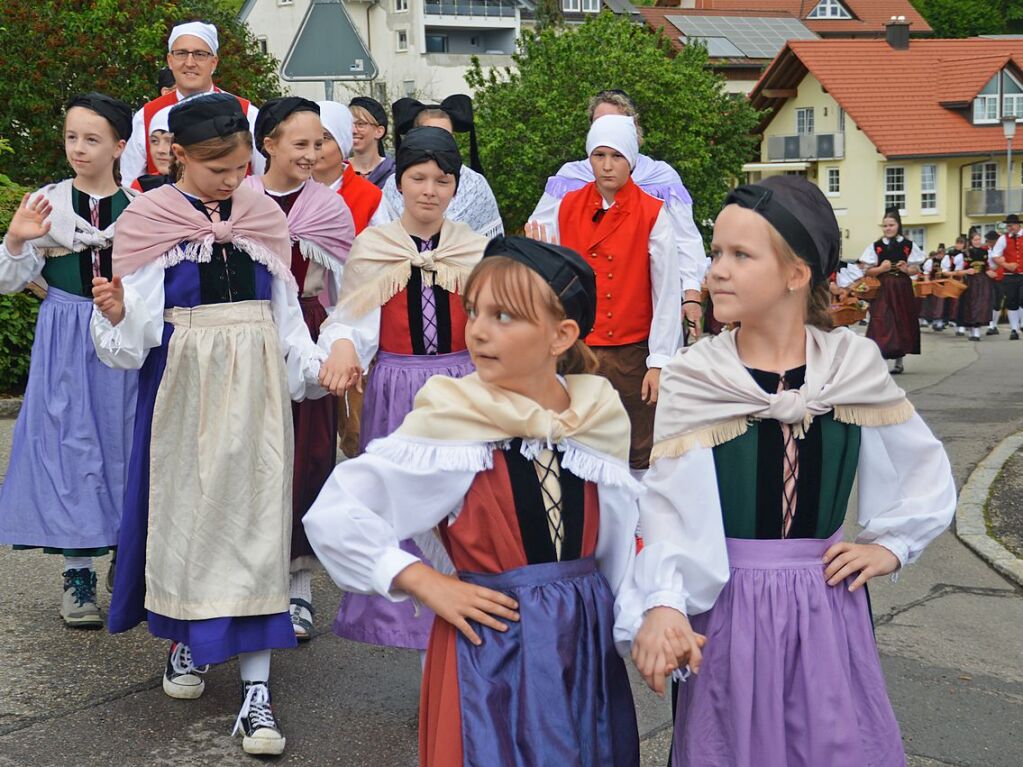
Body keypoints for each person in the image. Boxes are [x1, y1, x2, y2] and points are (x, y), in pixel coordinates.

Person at [632, 175, 956, 767]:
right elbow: (667, 508)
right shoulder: (696, 377)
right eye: (716, 252)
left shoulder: (850, 366)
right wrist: (663, 601)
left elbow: (921, 463)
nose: (716, 271)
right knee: (731, 745)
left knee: (830, 743)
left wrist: (893, 544)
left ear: (796, 274)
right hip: (727, 607)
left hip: (825, 605)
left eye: (740, 255)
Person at [306, 236, 646, 766]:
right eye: (475, 311)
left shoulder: (595, 420)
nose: (480, 330)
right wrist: (421, 579)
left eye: (504, 315)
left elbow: (621, 548)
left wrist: (648, 621)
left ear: (562, 335)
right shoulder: (454, 422)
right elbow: (335, 511)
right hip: (491, 649)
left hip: (582, 649)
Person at [90, 94, 328, 756]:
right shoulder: (148, 221)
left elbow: (285, 318)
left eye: (240, 166)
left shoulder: (260, 217)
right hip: (183, 392)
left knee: (256, 528)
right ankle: (186, 643)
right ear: (179, 156)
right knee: (188, 526)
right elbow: (131, 342)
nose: (233, 181)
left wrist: (314, 367)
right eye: (218, 168)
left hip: (255, 393)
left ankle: (256, 692)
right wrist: (112, 314)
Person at [317, 126, 488, 655]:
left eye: (442, 180)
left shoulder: (473, 248)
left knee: (463, 504)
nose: (430, 190)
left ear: (456, 188)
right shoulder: (376, 246)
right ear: (401, 184)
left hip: (461, 385)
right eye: (418, 178)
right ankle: (413, 628)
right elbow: (350, 318)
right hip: (397, 388)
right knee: (399, 505)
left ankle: (468, 613)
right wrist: (344, 346)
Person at [0, 93, 138, 628]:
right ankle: (77, 570)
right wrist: (15, 239)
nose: (78, 149)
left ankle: (126, 555)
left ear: (119, 146)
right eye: (71, 137)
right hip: (65, 331)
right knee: (67, 445)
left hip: (123, 334)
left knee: (125, 441)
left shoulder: (140, 207)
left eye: (91, 139)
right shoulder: (48, 204)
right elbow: (9, 281)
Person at [245, 97, 355, 641]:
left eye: (319, 144)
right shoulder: (240, 200)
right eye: (300, 144)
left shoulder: (329, 208)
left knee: (309, 454)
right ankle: (251, 577)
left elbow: (345, 291)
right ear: (268, 143)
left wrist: (338, 344)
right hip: (247, 333)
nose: (312, 154)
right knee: (254, 455)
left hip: (309, 330)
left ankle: (298, 584)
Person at [526, 114, 681, 476]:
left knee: (636, 447)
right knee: (578, 445)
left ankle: (637, 529)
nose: (607, 166)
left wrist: (658, 361)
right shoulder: (565, 206)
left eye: (616, 156)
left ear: (632, 160)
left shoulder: (653, 213)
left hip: (632, 355)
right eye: (599, 156)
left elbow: (666, 292)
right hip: (578, 352)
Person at [529, 89, 705, 339]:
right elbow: (542, 236)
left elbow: (685, 240)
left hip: (648, 310)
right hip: (584, 315)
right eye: (601, 125)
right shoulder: (570, 178)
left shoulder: (661, 178)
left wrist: (691, 295)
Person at [120, 21, 264, 185]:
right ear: (170, 60)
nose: (189, 63)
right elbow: (128, 183)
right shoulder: (146, 116)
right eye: (181, 53)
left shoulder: (246, 113)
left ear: (214, 62)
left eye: (199, 54)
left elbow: (264, 180)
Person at [380, 96, 504, 239]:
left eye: (445, 135)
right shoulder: (392, 184)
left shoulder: (475, 184)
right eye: (418, 179)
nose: (437, 141)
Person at [858, 208, 924, 374]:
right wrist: (881, 268)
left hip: (902, 287)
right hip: (883, 288)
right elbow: (866, 271)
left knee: (901, 319)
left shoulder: (908, 246)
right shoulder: (876, 246)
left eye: (891, 225)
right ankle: (880, 361)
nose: (888, 228)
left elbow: (916, 268)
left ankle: (898, 361)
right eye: (885, 225)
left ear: (898, 225)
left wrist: (907, 270)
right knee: (882, 320)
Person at [313, 100, 387, 234]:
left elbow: (383, 249)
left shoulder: (370, 196)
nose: (315, 147)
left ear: (343, 142)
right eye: (307, 139)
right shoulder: (289, 190)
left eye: (325, 137)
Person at [957, 231, 996, 341]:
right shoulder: (964, 254)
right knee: (970, 305)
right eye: (975, 240)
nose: (978, 242)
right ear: (971, 241)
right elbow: (958, 271)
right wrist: (966, 270)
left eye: (979, 239)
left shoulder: (986, 252)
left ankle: (977, 331)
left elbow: (990, 266)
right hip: (970, 281)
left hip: (983, 281)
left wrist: (989, 271)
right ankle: (972, 331)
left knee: (981, 305)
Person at [348, 96, 394, 188]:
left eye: (360, 124)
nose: (353, 130)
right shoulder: (339, 172)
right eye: (349, 124)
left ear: (379, 131)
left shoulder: (393, 173)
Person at [990, 213, 1023, 339]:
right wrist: (1006, 264)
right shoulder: (1003, 239)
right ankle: (1014, 329)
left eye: (1012, 225)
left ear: (1018, 225)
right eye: (1008, 226)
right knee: (1011, 302)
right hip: (1009, 275)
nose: (1010, 228)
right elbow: (995, 255)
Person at [131, 105, 175, 192]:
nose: (160, 150)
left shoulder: (205, 187)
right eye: (154, 141)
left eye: (169, 141)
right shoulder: (143, 185)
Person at [985, 229, 1003, 334]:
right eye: (988, 241)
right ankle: (991, 325)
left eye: (992, 241)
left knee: (998, 302)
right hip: (988, 278)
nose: (990, 243)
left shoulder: (1001, 250)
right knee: (991, 300)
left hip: (1000, 278)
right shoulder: (985, 250)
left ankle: (994, 325)